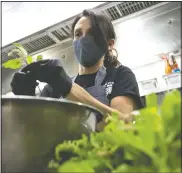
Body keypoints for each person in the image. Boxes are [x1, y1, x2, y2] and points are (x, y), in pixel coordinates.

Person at [10, 10, 143, 126]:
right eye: (78, 34)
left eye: (91, 33)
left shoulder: (120, 75)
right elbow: (35, 132)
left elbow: (124, 125)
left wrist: (68, 88)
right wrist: (26, 102)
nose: (84, 39)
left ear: (109, 44)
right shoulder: (52, 88)